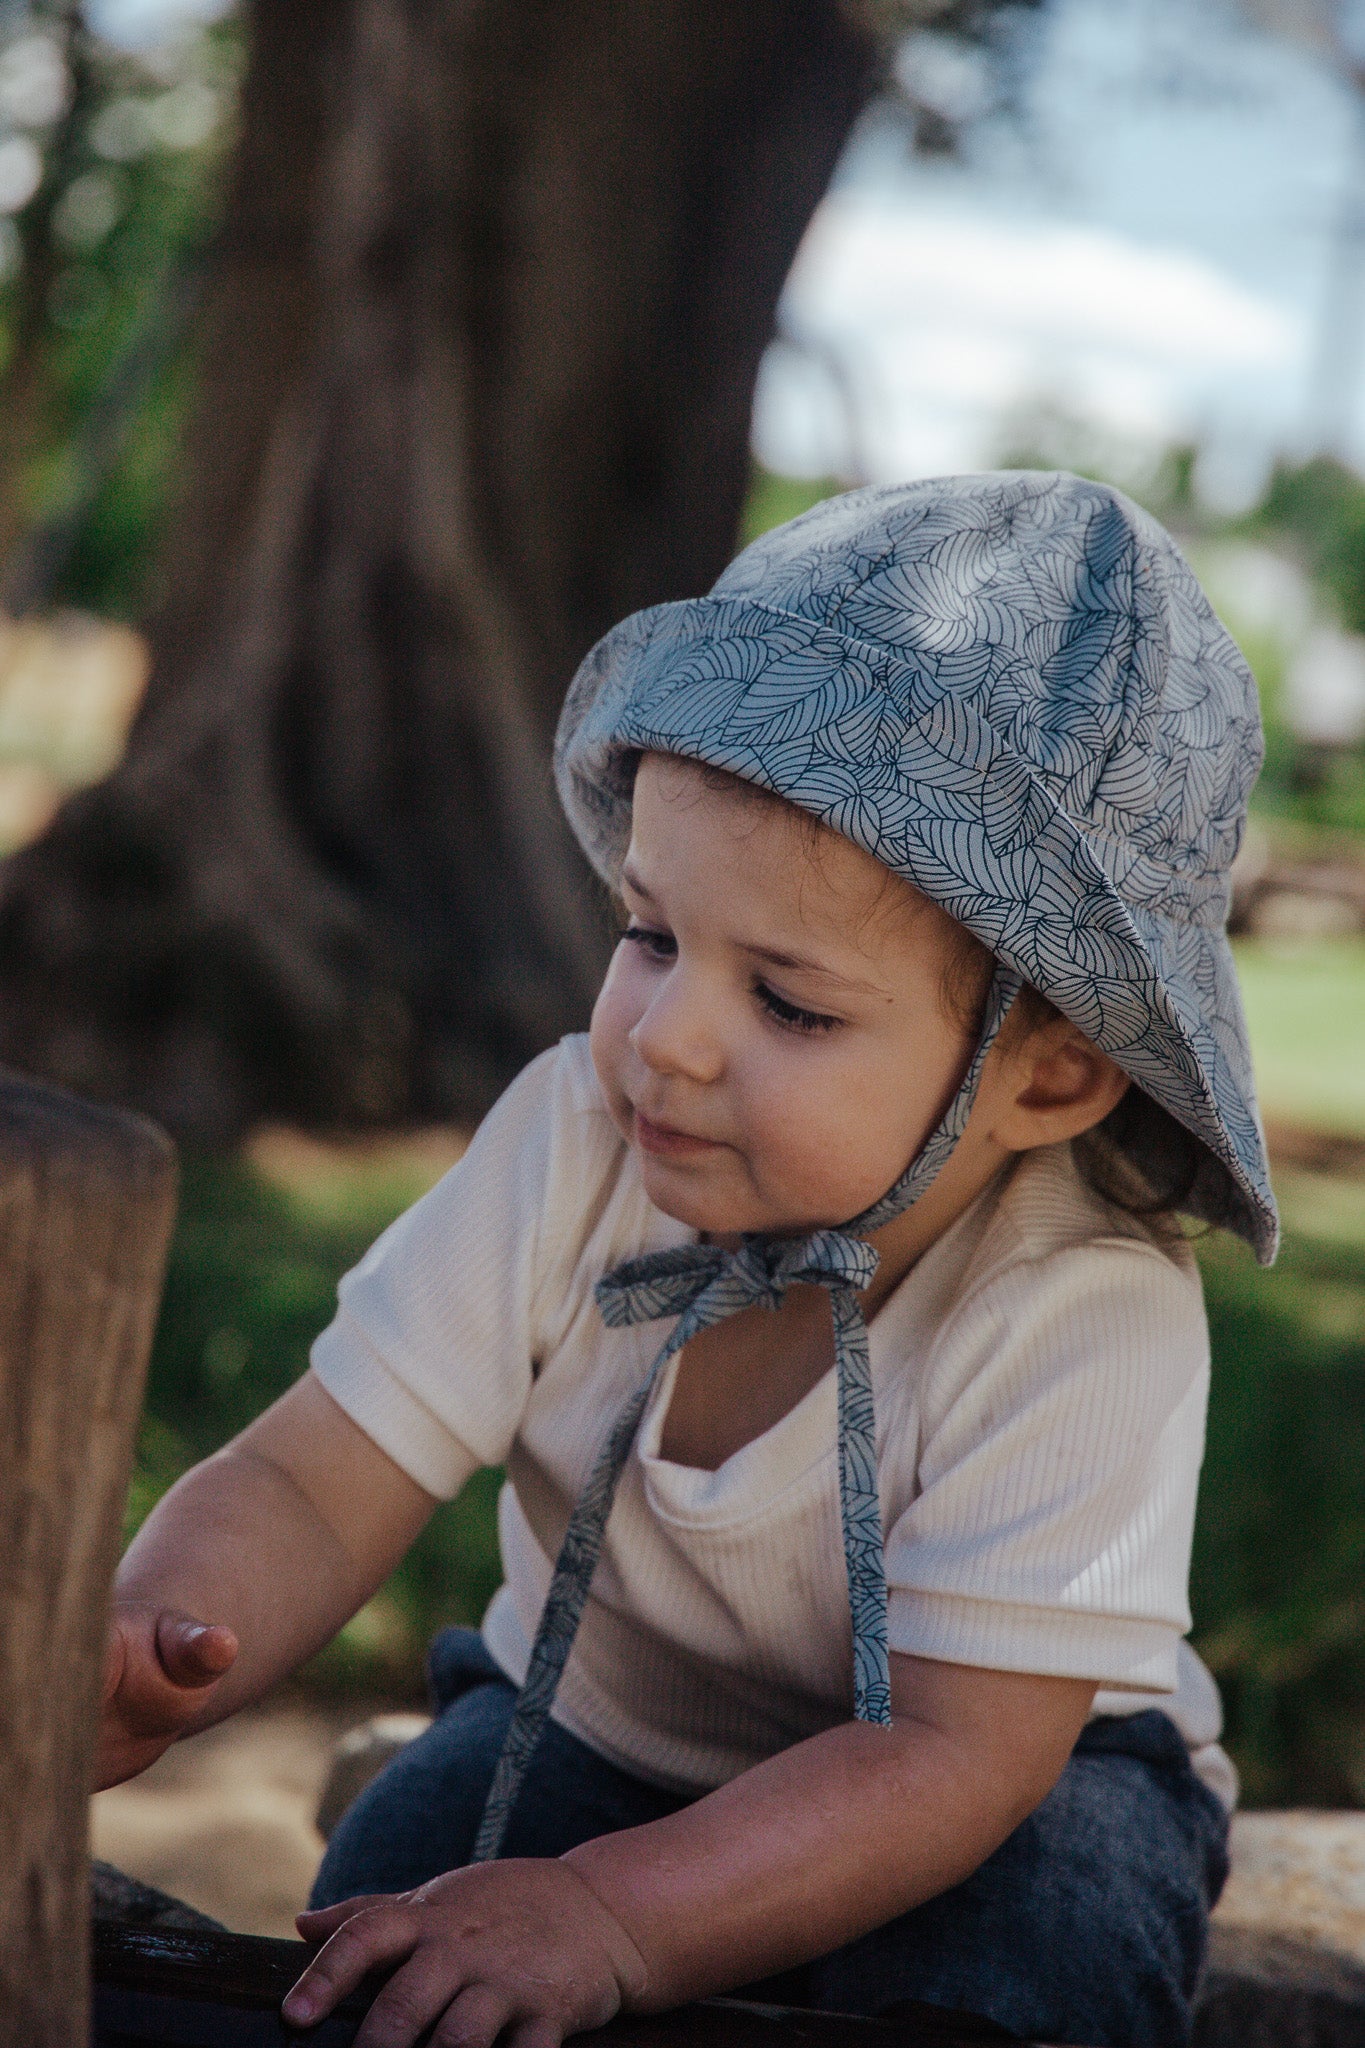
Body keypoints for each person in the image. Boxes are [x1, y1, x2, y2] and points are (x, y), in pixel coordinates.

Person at [98, 473, 1276, 2048]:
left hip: (1003, 1787)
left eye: (788, 1002)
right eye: (649, 934)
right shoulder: (573, 1143)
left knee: (1026, 1976)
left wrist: (611, 1917)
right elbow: (318, 1479)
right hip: (600, 1729)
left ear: (1046, 1077)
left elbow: (945, 1758)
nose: (666, 1039)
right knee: (391, 1896)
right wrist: (158, 1635)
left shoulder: (1079, 1302)